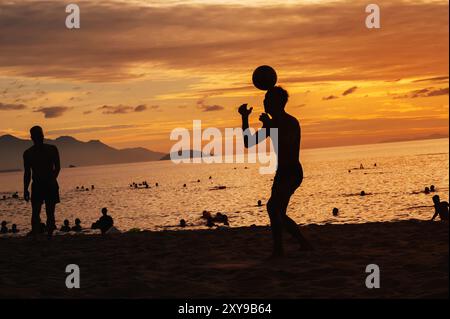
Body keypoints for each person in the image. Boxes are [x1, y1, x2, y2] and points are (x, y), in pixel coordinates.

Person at [238, 86, 311, 258]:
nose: (264, 102)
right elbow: (248, 142)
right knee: (277, 211)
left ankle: (293, 245)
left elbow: (287, 142)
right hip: (282, 173)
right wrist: (245, 118)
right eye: (264, 99)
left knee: (273, 208)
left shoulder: (290, 122)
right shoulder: (272, 124)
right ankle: (285, 248)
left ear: (277, 103)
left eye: (267, 100)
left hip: (292, 172)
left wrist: (270, 124)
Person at [23, 126, 61, 238]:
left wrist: (52, 179)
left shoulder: (52, 149)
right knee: (36, 211)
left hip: (48, 184)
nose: (39, 137)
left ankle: (48, 233)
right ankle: (37, 232)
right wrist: (25, 189)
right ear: (32, 137)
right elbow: (27, 173)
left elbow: (57, 168)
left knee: (48, 212)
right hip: (39, 184)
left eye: (40, 135)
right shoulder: (28, 153)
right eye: (37, 135)